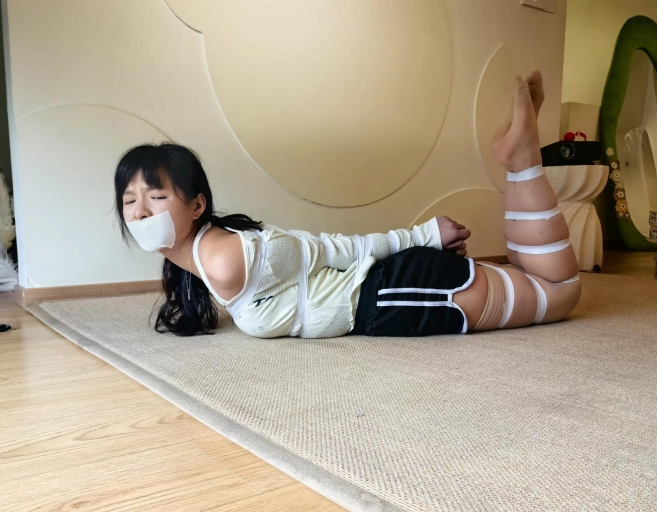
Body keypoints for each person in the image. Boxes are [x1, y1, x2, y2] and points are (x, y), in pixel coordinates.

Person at [114, 71, 581, 339]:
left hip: (393, 294)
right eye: (130, 199)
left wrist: (422, 235)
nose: (140, 211)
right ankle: (519, 160)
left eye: (156, 196)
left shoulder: (225, 259)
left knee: (559, 292)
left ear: (197, 206)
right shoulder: (199, 261)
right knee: (535, 276)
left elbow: (333, 250)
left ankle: (523, 159)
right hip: (391, 293)